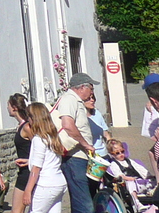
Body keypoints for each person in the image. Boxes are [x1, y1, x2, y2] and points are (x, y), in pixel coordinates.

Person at [49, 72, 97, 213]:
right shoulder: (69, 99)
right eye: (91, 88)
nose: (91, 93)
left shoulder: (76, 101)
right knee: (84, 204)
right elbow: (68, 125)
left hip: (79, 156)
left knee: (82, 200)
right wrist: (85, 144)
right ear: (81, 87)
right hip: (73, 157)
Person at [24, 102, 67, 213]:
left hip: (45, 185)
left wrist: (28, 190)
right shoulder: (52, 137)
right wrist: (28, 161)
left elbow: (36, 168)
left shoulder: (38, 139)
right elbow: (48, 159)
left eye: (28, 117)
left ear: (34, 118)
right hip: (59, 182)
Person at [105, 138, 150, 212]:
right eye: (117, 153)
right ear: (112, 154)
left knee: (152, 181)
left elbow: (141, 170)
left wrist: (148, 176)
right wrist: (130, 179)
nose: (121, 154)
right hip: (128, 184)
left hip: (139, 182)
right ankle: (137, 203)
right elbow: (119, 176)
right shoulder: (114, 164)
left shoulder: (130, 161)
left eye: (122, 151)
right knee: (130, 183)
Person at [9, 94, 33, 213]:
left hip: (29, 173)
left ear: (14, 107)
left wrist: (30, 161)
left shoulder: (27, 127)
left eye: (8, 105)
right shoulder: (21, 126)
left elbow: (41, 147)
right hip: (23, 172)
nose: (7, 108)